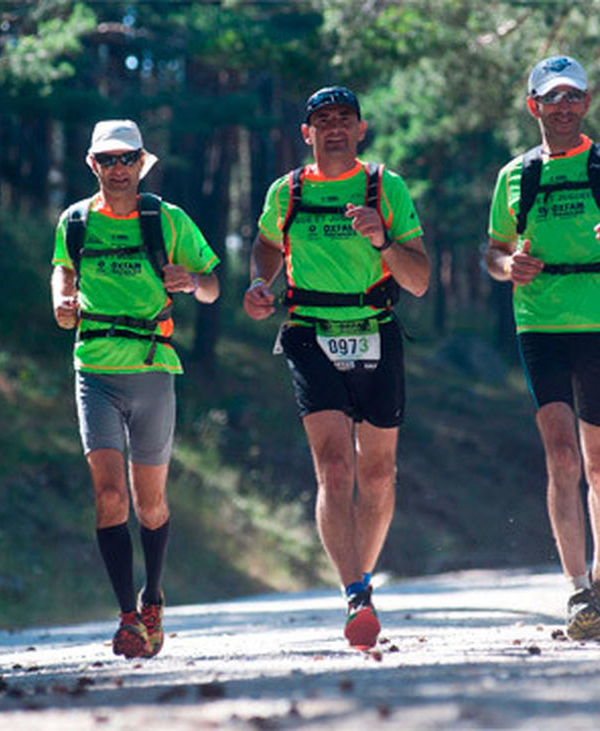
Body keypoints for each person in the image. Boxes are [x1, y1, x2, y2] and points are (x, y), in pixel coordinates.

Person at [484, 56, 600, 642]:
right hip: (539, 322)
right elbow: (491, 251)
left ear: (586, 104)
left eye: (573, 96)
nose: (563, 106)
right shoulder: (514, 175)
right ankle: (576, 593)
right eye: (552, 97)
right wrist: (506, 265)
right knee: (562, 457)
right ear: (533, 105)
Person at [244, 86, 430, 650]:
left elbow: (419, 278)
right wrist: (259, 283)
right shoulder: (289, 190)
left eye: (344, 119)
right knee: (333, 467)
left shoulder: (384, 187)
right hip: (310, 332)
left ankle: (362, 579)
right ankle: (355, 593)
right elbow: (266, 246)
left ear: (360, 129)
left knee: (376, 474)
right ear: (307, 134)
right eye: (321, 120)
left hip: (376, 327)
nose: (333, 129)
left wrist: (382, 242)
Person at [51, 119, 219, 660]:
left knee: (150, 503)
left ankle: (153, 595)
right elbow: (62, 270)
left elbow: (214, 287)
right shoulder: (75, 221)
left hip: (152, 369)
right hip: (94, 368)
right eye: (108, 160)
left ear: (142, 163)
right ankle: (127, 617)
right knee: (108, 495)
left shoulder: (166, 220)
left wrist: (190, 282)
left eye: (128, 159)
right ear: (92, 165)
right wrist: (62, 299)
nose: (118, 168)